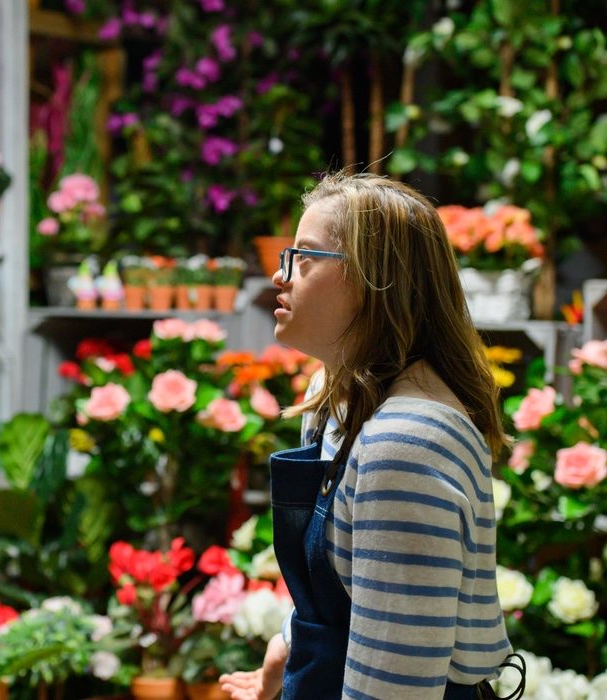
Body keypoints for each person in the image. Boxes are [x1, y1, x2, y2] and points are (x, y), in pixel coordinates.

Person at [221, 173, 522, 699]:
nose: (278, 275)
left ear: (375, 278)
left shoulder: (405, 443)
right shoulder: (334, 398)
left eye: (303, 256)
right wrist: (290, 646)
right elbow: (357, 586)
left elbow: (397, 688)